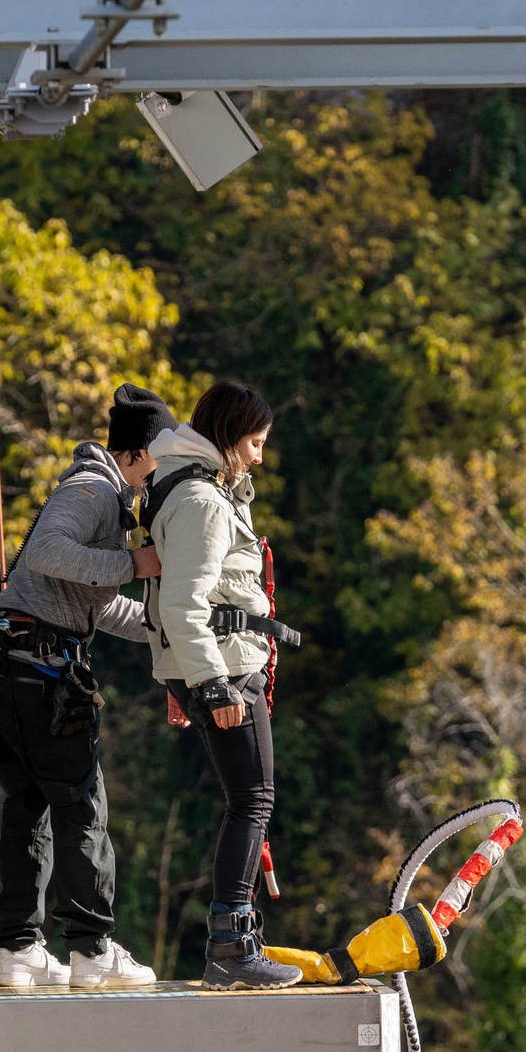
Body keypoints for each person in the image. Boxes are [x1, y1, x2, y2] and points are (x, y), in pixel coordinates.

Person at [0, 385, 177, 989]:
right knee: (83, 804)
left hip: (5, 667)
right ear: (142, 454)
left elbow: (88, 604)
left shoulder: (99, 492)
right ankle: (92, 950)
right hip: (38, 674)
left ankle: (19, 949)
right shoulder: (93, 490)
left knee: (27, 806)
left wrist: (166, 630)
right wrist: (133, 565)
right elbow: (47, 553)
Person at [142, 381, 300, 989]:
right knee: (253, 799)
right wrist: (210, 685)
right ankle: (231, 945)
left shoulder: (199, 490)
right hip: (227, 670)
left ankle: (235, 941)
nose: (259, 456)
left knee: (248, 799)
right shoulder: (204, 501)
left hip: (221, 665)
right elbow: (183, 603)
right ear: (229, 435)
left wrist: (185, 676)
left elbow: (172, 601)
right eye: (254, 442)